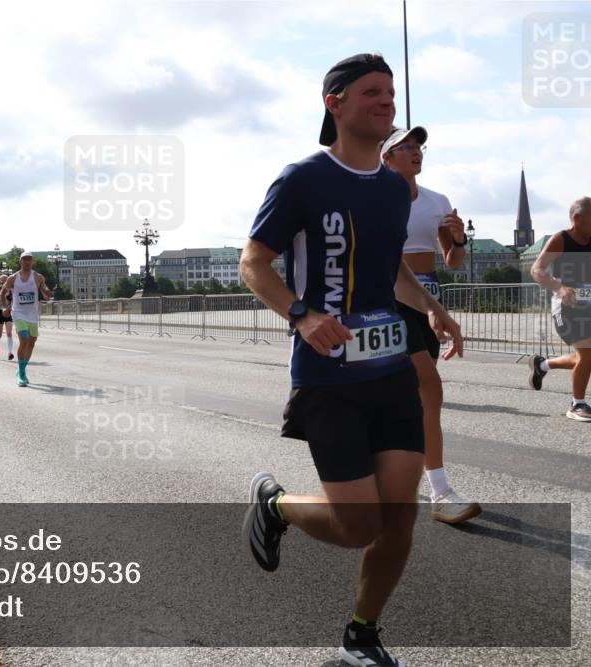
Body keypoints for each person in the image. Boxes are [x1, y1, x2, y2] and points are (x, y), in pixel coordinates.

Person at [239, 53, 463, 667]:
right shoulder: (303, 178)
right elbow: (254, 262)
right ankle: (276, 503)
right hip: (328, 375)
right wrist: (302, 315)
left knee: (401, 514)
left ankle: (362, 636)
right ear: (334, 104)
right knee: (360, 523)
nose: (387, 101)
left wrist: (432, 308)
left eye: (390, 92)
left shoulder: (395, 188)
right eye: (372, 92)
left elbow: (390, 267)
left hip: (390, 369)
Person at [380, 126, 480, 524]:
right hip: (391, 302)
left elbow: (453, 262)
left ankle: (391, 474)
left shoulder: (437, 201)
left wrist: (458, 241)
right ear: (386, 157)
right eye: (404, 147)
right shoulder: (378, 199)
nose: (414, 152)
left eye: (418, 146)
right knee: (429, 391)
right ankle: (441, 491)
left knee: (413, 398)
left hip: (427, 300)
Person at [528, 196, 591, 422]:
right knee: (587, 352)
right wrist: (560, 287)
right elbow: (536, 270)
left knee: (585, 357)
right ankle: (577, 404)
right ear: (577, 218)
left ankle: (543, 364)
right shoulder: (561, 240)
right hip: (566, 307)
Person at [1, 251, 53, 386]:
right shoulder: (13, 278)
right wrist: (4, 307)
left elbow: (44, 289)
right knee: (24, 338)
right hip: (18, 313)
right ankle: (22, 375)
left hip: (33, 315)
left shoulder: (38, 277)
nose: (27, 262)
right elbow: (2, 292)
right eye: (25, 259)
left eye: (29, 259)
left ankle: (21, 369)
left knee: (31, 343)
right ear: (20, 261)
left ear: (32, 261)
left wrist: (47, 293)